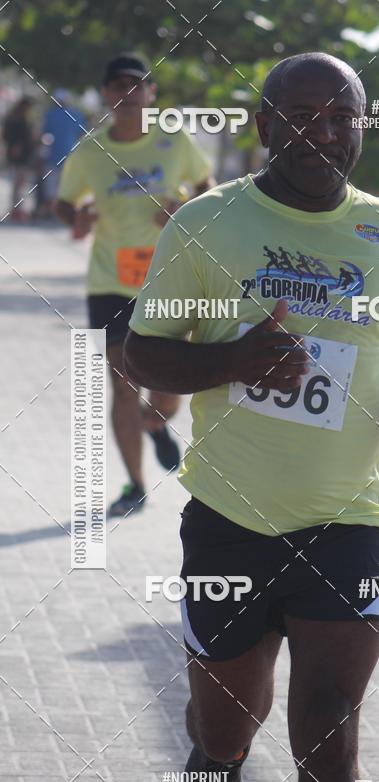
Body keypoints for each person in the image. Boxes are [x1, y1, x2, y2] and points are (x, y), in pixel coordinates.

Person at [124, 52, 379, 782]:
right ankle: (218, 751)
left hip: (349, 517)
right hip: (231, 517)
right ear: (265, 126)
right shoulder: (205, 224)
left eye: (343, 116)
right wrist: (235, 360)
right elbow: (143, 350)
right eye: (302, 115)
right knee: (229, 721)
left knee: (329, 732)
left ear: (363, 130)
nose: (325, 132)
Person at [55, 52, 213, 516]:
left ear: (150, 94)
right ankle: (135, 485)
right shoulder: (90, 150)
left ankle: (156, 423)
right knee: (123, 385)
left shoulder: (174, 141)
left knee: (169, 390)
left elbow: (208, 189)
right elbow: (64, 205)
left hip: (168, 280)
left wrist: (181, 206)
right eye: (118, 85)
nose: (128, 94)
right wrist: (77, 218)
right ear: (106, 94)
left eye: (136, 85)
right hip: (110, 282)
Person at [36, 88, 87, 218]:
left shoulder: (50, 114)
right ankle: (63, 214)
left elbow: (44, 136)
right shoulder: (76, 114)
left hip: (53, 157)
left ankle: (52, 212)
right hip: (72, 157)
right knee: (67, 186)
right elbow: (83, 136)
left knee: (51, 187)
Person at [2, 97, 37, 222]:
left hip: (17, 156)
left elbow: (5, 136)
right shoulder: (21, 120)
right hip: (22, 157)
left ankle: (17, 208)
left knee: (18, 184)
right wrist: (18, 146)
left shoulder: (11, 118)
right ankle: (17, 209)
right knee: (20, 184)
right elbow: (25, 137)